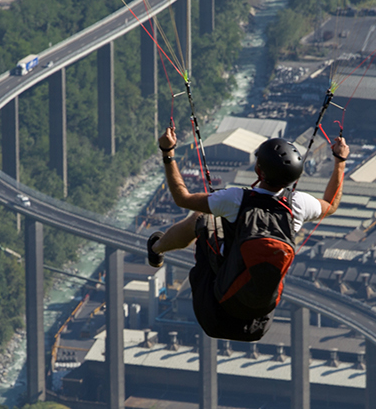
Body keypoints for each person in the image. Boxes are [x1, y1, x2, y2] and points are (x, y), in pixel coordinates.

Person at [146, 124, 350, 342]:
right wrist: (340, 160)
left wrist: (168, 153)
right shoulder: (299, 205)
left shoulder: (236, 199)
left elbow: (182, 198)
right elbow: (331, 203)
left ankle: (157, 248)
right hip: (258, 322)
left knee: (200, 218)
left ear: (259, 171)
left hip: (215, 311)